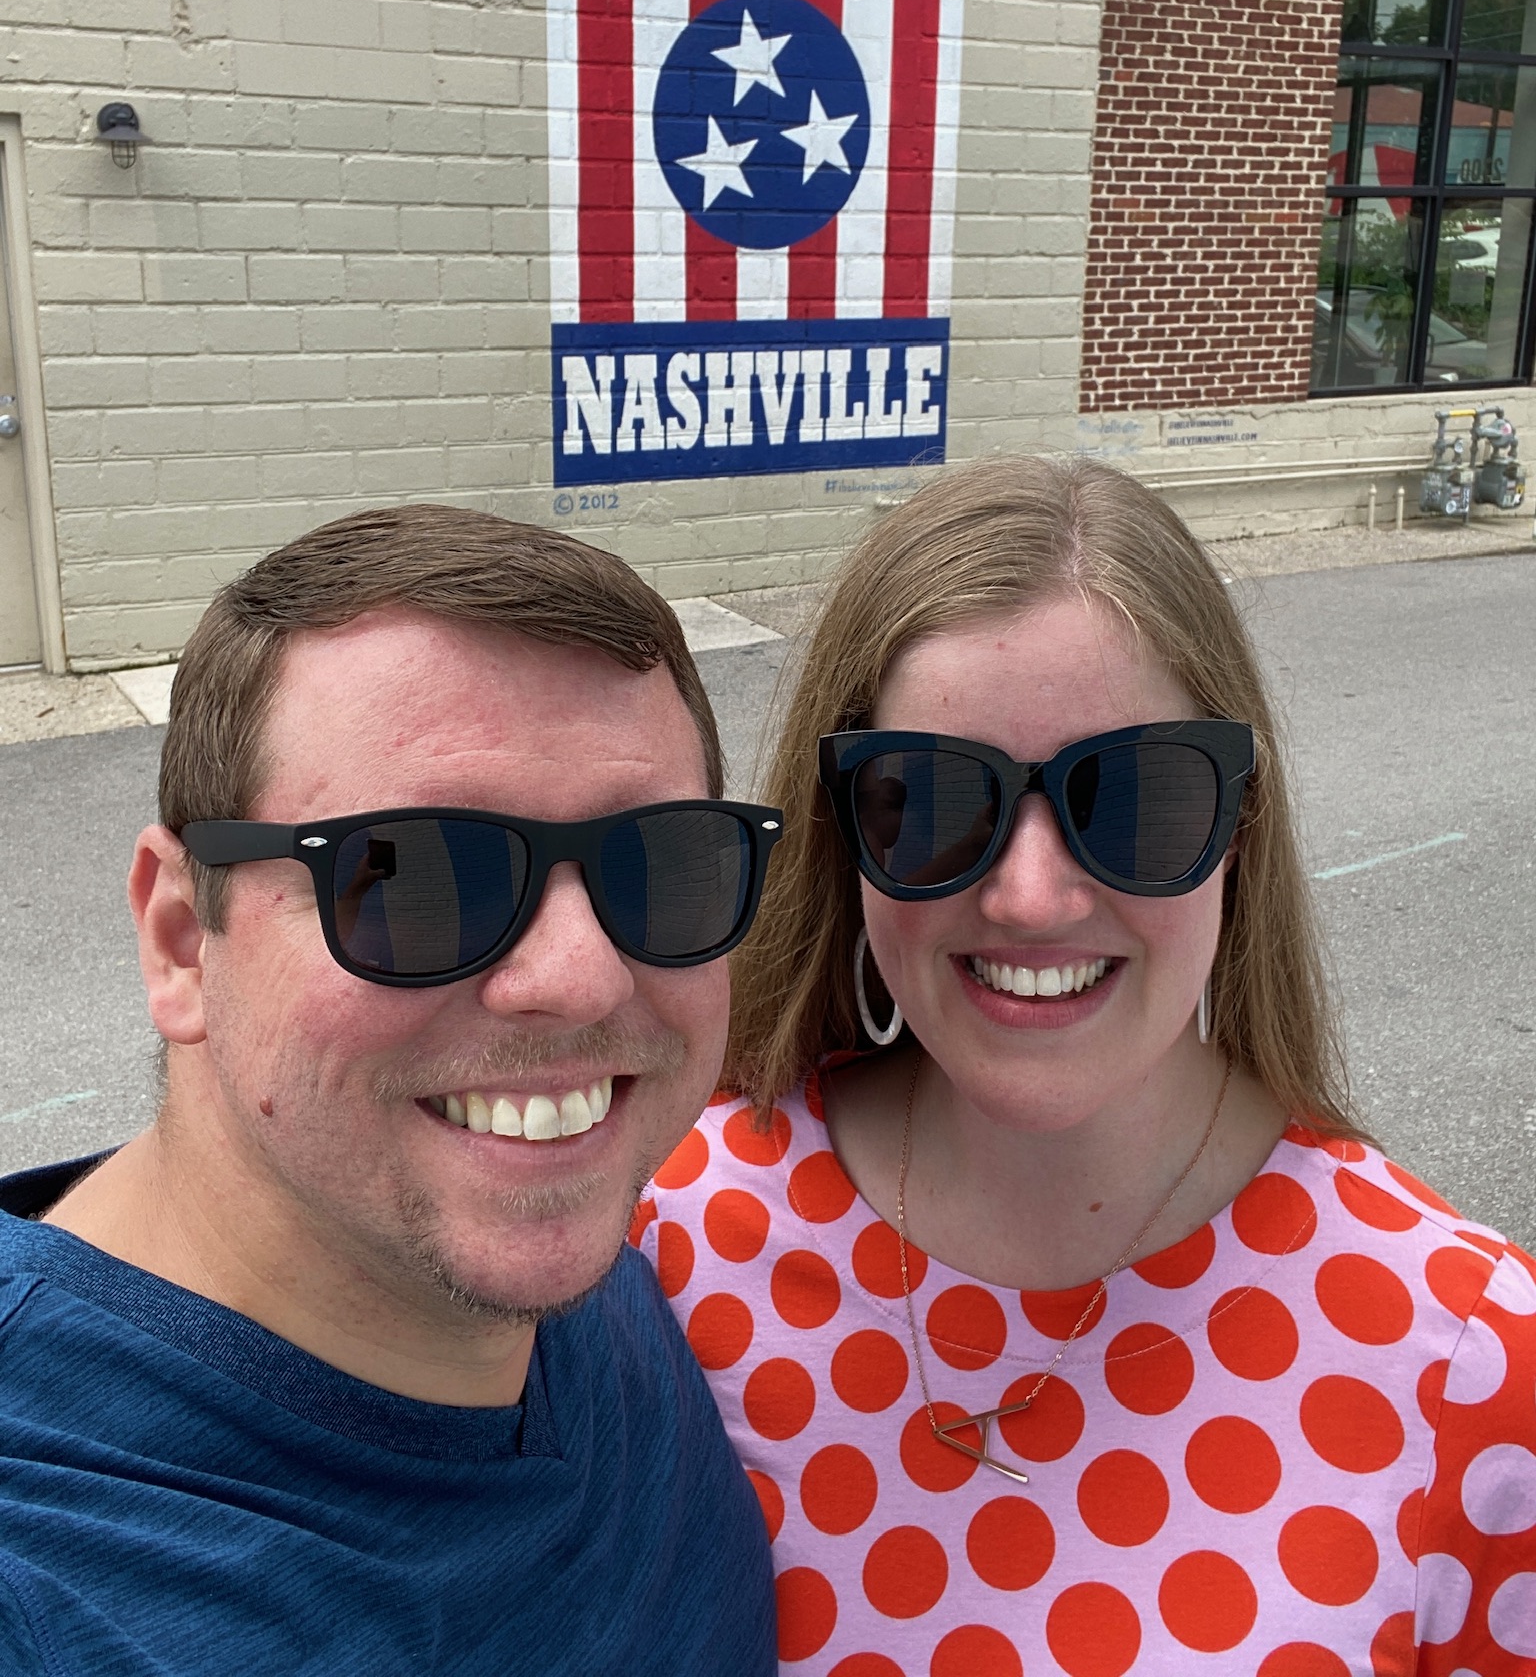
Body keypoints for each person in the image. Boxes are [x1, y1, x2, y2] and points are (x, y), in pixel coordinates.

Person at [637, 458, 1536, 1676]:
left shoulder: (1472, 1362)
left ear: (1240, 826)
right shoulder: (665, 1238)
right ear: (845, 829)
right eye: (935, 799)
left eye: (1137, 797)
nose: (1030, 893)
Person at [0, 505, 781, 1676]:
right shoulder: (52, 1578)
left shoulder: (604, 1255)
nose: (576, 975)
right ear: (179, 939)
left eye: (660, 864)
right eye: (417, 876)